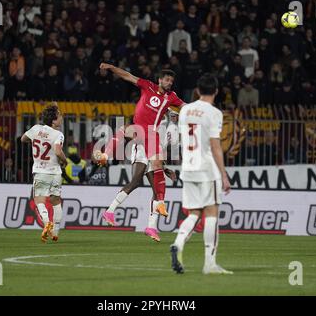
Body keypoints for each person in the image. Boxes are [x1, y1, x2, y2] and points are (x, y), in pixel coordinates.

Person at [96, 64, 185, 242]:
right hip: (142, 140)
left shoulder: (171, 102)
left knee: (155, 187)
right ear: (160, 80)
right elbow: (127, 75)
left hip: (151, 142)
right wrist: (111, 67)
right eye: (167, 80)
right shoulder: (148, 86)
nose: (169, 83)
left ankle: (151, 226)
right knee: (136, 180)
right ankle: (110, 210)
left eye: (171, 81)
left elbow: (186, 107)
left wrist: (202, 112)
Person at [170, 74, 232, 275]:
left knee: (194, 213)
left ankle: (178, 243)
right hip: (206, 169)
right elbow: (215, 146)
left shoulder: (185, 110)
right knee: (211, 213)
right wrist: (223, 174)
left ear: (197, 90)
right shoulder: (214, 113)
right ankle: (210, 264)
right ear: (216, 91)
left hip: (188, 168)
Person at [21, 105, 68, 243]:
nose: (61, 118)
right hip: (55, 173)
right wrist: (65, 161)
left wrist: (36, 140)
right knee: (56, 201)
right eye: (59, 116)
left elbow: (23, 139)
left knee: (39, 201)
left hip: (40, 172)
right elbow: (58, 152)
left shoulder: (35, 129)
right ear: (53, 120)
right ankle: (55, 232)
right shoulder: (58, 134)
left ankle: (47, 222)